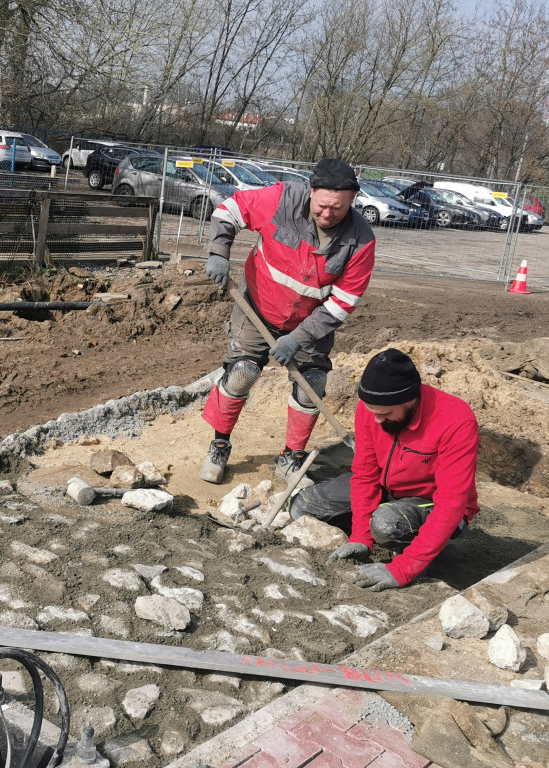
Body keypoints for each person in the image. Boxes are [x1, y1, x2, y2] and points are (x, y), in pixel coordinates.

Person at [201, 158, 376, 484]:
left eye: (337, 209)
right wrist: (218, 253)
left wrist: (298, 338)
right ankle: (219, 444)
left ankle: (290, 458)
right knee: (242, 373)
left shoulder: (361, 240)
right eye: (322, 206)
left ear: (353, 200)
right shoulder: (281, 200)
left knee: (313, 385)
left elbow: (343, 302)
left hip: (311, 323)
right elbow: (229, 210)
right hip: (256, 307)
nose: (327, 214)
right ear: (311, 193)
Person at [290, 348, 480, 590]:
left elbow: (451, 504)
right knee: (302, 506)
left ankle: (416, 554)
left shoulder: (456, 421)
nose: (377, 420)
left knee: (387, 524)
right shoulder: (371, 411)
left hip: (429, 501)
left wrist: (402, 570)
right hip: (388, 490)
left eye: (386, 414)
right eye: (372, 412)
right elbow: (365, 476)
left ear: (410, 400)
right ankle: (378, 532)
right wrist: (361, 536)